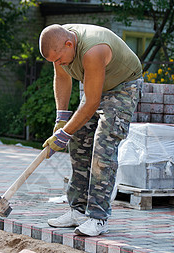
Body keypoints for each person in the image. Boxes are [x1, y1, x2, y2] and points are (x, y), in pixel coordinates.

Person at [39, 23, 143, 236]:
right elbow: (62, 77)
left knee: (103, 146)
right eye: (53, 61)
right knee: (78, 142)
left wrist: (64, 134)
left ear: (70, 44)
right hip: (94, 80)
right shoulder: (59, 44)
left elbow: (92, 102)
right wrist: (62, 119)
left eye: (58, 59)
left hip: (122, 87)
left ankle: (98, 217)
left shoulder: (93, 50)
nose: (57, 64)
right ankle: (77, 210)